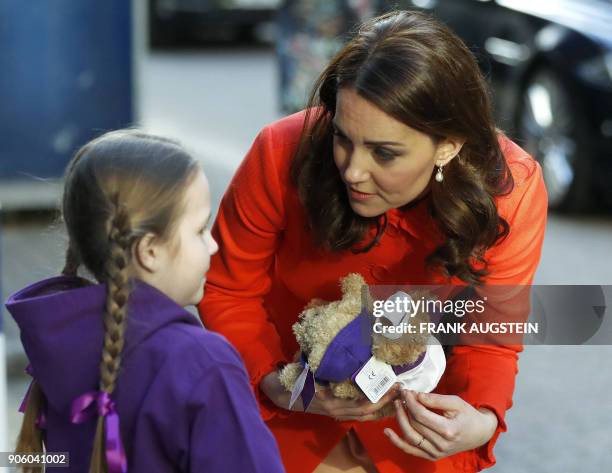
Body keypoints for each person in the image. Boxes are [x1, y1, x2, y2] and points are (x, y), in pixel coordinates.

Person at [199, 9, 547, 473]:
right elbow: (227, 289)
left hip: (415, 431)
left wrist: (481, 419)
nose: (353, 171)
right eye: (342, 138)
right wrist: (273, 381)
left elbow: (491, 331)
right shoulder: (281, 151)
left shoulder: (512, 190)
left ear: (450, 144)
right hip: (285, 405)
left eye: (385, 153)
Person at [6, 130, 285, 473]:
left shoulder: (58, 345)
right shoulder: (202, 363)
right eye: (200, 230)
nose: (212, 245)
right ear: (149, 251)